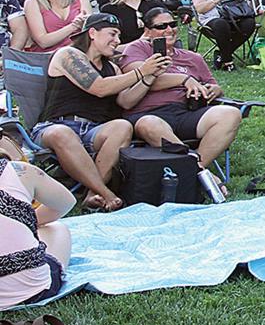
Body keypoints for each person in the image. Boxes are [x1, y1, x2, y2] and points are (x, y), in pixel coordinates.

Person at [33, 13, 170, 211]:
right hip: (55, 126)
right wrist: (140, 71)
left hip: (93, 130)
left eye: (119, 36)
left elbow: (126, 100)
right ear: (92, 33)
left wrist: (149, 76)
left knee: (122, 126)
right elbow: (99, 88)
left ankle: (91, 195)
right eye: (112, 34)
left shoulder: (112, 68)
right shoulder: (68, 55)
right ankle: (106, 193)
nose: (118, 41)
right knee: (62, 134)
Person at [120, 7, 244, 173]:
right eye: (161, 26)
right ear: (148, 31)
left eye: (172, 24)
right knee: (149, 124)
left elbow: (213, 84)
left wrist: (214, 90)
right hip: (148, 113)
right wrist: (184, 79)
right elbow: (137, 78)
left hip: (185, 112)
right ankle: (196, 171)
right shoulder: (138, 49)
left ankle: (196, 167)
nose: (169, 30)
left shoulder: (193, 58)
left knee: (231, 114)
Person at [0, 155, 76, 311]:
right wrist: (25, 220)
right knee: (56, 228)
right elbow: (65, 203)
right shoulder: (20, 171)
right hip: (30, 290)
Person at [191, 0, 256, 71]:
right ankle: (227, 61)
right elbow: (200, 9)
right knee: (221, 24)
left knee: (249, 23)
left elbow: (245, 8)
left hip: (234, 19)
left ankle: (222, 55)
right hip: (211, 20)